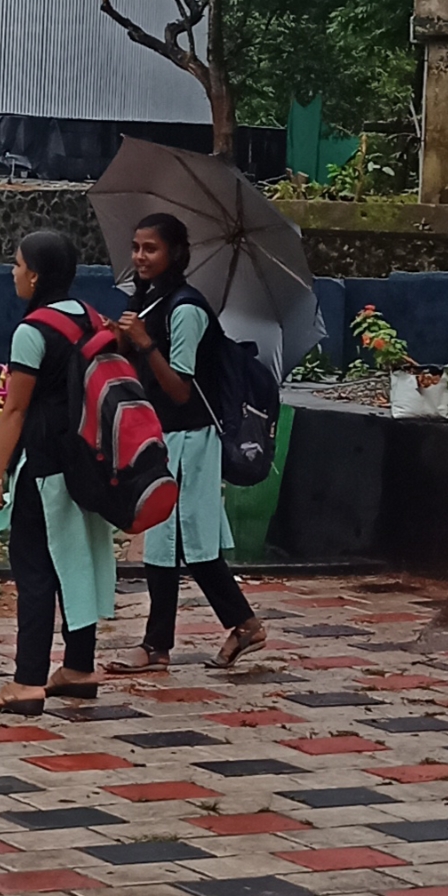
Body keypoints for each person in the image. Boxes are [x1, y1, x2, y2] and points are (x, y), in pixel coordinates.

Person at [107, 214, 266, 672]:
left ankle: (161, 644)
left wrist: (144, 343)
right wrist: (124, 338)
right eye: (136, 247)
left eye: (151, 248)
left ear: (175, 253)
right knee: (173, 540)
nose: (140, 257)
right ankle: (230, 627)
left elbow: (181, 389)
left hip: (191, 438)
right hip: (163, 435)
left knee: (184, 540)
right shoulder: (150, 303)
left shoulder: (186, 309)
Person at [0, 229, 116, 715]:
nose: (14, 273)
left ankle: (28, 681)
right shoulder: (91, 318)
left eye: (17, 265)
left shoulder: (32, 331)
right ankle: (78, 666)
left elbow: (15, 410)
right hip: (89, 460)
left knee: (34, 568)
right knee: (78, 560)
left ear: (35, 275)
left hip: (44, 465)